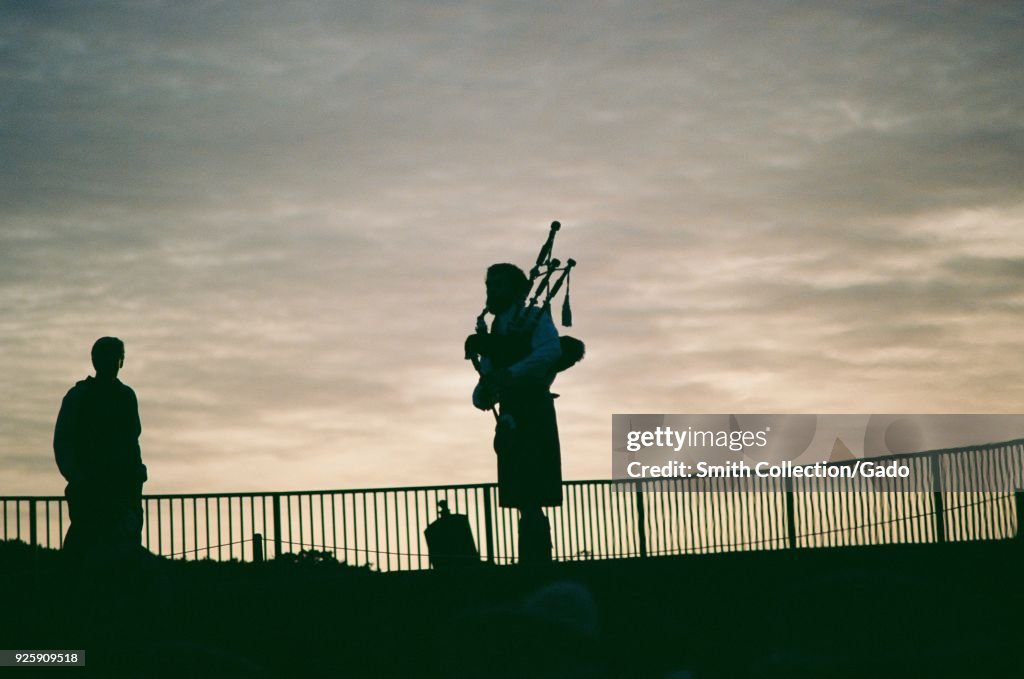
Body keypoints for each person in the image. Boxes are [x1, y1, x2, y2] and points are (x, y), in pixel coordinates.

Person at [470, 263, 563, 563]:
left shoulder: (534, 319)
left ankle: (537, 561)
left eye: (498, 285)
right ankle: (530, 558)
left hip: (533, 409)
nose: (491, 291)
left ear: (515, 289)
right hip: (511, 411)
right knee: (522, 496)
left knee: (532, 492)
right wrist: (484, 391)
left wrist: (510, 373)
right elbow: (489, 371)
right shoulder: (497, 327)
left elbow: (550, 352)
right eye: (489, 285)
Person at [54, 337, 148, 561]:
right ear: (96, 361)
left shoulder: (124, 396)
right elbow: (63, 443)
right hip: (93, 489)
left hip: (120, 490)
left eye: (114, 358)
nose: (111, 363)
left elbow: (132, 441)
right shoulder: (80, 396)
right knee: (89, 551)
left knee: (117, 553)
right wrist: (78, 478)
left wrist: (137, 474)